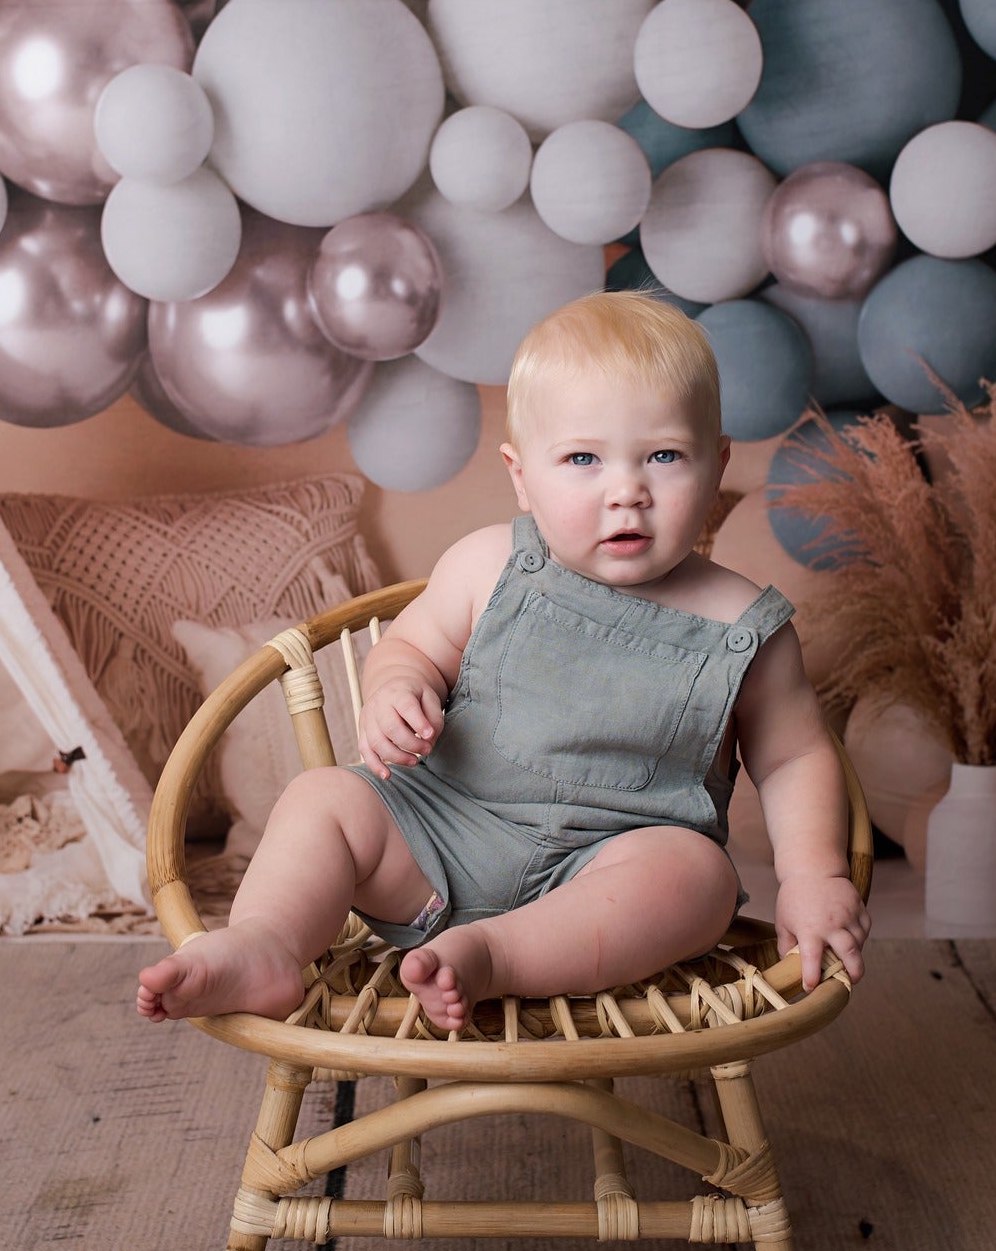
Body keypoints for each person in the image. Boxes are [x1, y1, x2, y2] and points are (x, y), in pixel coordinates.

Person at [137, 290, 869, 1031]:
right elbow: (411, 645)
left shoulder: (744, 625)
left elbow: (794, 756)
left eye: (664, 456)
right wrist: (397, 687)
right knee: (323, 799)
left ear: (717, 465)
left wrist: (814, 875)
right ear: (521, 476)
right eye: (583, 458)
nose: (627, 492)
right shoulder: (489, 564)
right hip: (440, 835)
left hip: (608, 876)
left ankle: (492, 954)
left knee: (699, 878)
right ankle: (267, 943)